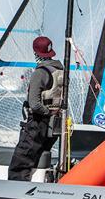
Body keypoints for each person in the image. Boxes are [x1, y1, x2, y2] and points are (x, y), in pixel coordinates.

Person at [8, 36, 64, 181]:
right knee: (38, 157)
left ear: (36, 53)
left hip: (39, 122)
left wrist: (46, 113)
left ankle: (16, 194)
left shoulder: (40, 72)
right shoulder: (60, 69)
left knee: (21, 161)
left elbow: (34, 104)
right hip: (55, 123)